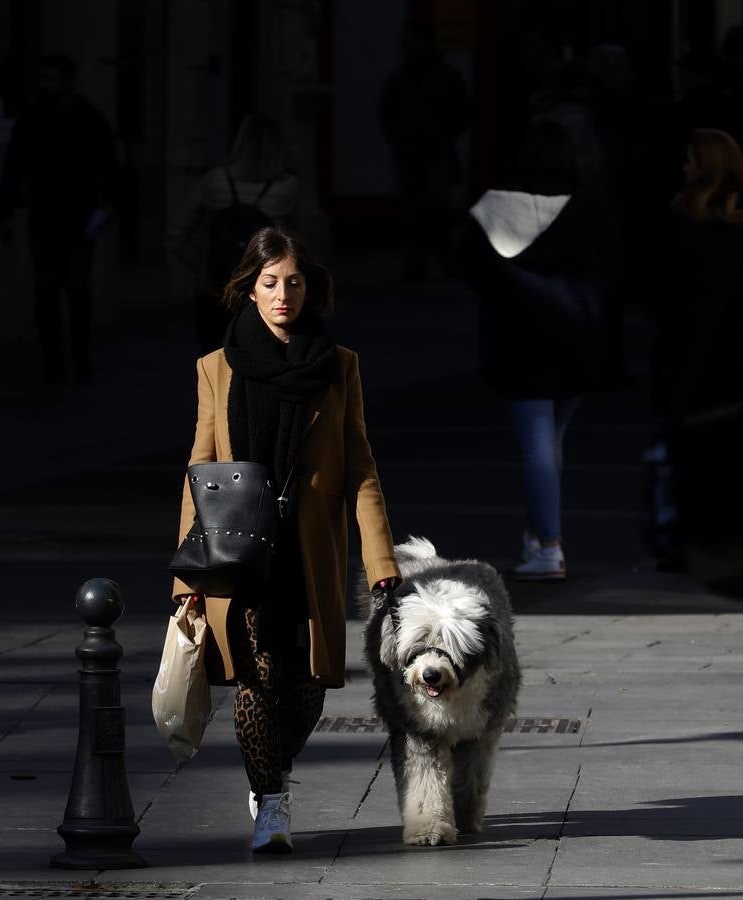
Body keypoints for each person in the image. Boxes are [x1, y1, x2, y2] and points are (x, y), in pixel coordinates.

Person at [169, 227, 400, 853]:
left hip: (309, 552)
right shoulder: (215, 369)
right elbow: (199, 468)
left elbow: (361, 469)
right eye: (269, 284)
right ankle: (272, 803)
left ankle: (269, 767)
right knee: (260, 679)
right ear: (248, 289)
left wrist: (381, 563)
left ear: (309, 288)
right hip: (240, 554)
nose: (282, 296)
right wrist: (188, 579)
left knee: (306, 693)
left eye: (293, 283)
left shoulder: (338, 365)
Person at [454, 119, 611, 582]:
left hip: (518, 340)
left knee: (537, 444)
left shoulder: (492, 210)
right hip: (576, 339)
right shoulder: (589, 209)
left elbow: (466, 267)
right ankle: (538, 534)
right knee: (551, 443)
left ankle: (548, 545)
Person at [0, 54, 118, 385]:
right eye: (43, 79)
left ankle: (76, 358)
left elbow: (109, 167)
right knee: (48, 290)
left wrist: (106, 206)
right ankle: (56, 360)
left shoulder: (88, 120)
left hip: (77, 216)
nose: (44, 85)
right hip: (46, 215)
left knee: (75, 289)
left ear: (67, 81)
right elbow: (14, 164)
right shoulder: (34, 119)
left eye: (50, 78)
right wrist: (6, 210)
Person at [653, 128, 743, 417]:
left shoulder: (681, 220)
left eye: (690, 161)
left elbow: (658, 287)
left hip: (688, 348)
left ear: (704, 167)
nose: (684, 168)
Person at [166, 113, 300, 354]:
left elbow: (176, 232)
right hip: (265, 295)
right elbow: (301, 245)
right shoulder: (287, 189)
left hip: (215, 288)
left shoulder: (215, 182)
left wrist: (201, 266)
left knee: (214, 366)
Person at [378, 17, 470, 282]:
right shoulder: (428, 75)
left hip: (426, 151)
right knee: (423, 209)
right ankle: (430, 261)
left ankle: (430, 261)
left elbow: (461, 110)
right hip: (422, 151)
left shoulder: (410, 76)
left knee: (429, 209)